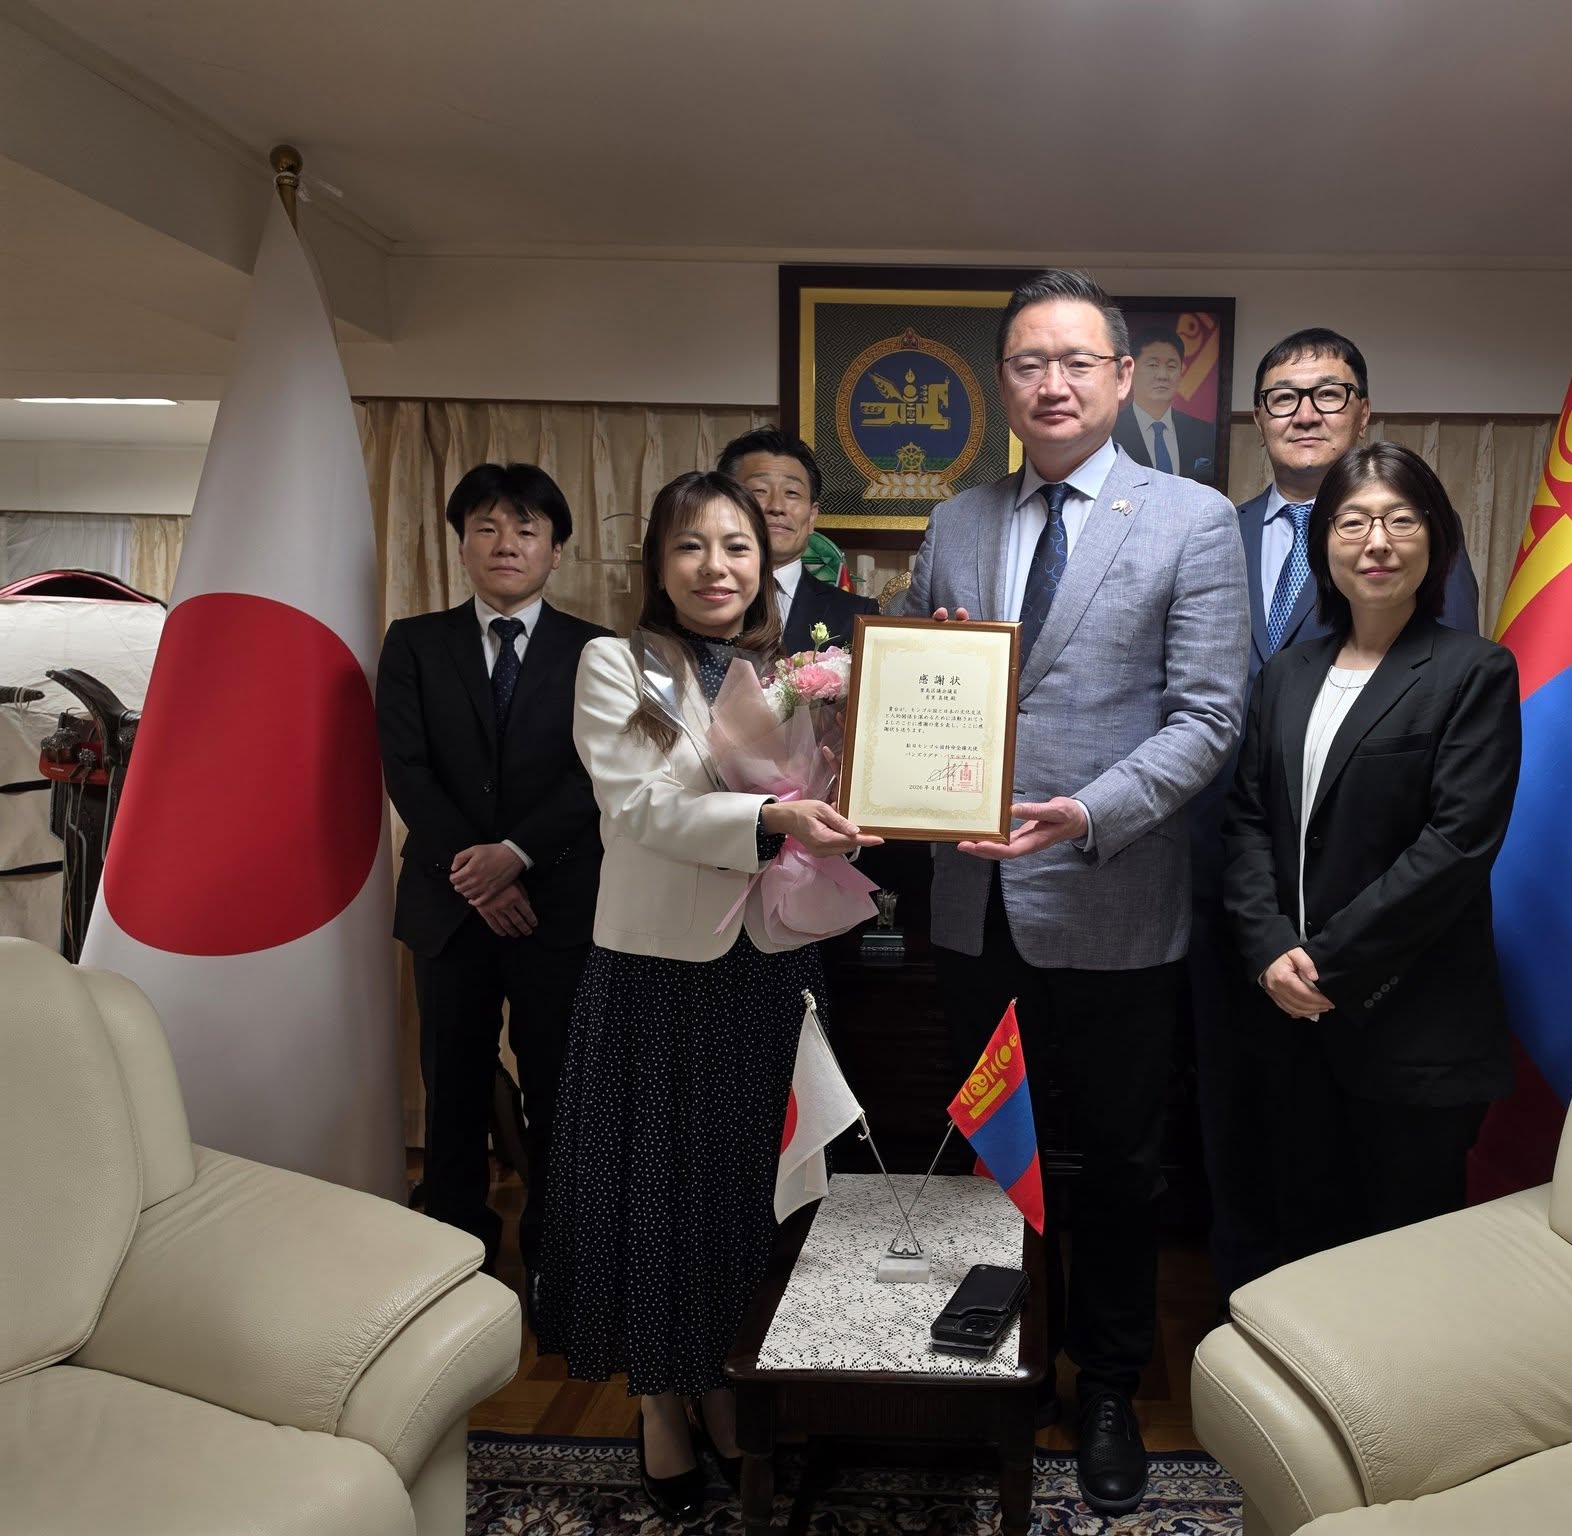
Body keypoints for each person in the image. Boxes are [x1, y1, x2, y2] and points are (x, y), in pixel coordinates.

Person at [904, 269, 1248, 1516]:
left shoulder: (1191, 520)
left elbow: (1208, 716)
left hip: (1110, 900)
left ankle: (1104, 1383)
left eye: (1074, 362)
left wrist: (1088, 813)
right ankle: (999, 1361)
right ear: (1001, 384)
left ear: (1118, 377)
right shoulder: (956, 519)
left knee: (1114, 1163)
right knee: (992, 1146)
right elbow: (912, 688)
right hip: (971, 908)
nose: (1050, 384)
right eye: (1026, 363)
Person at [535, 471, 877, 1518]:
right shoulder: (615, 665)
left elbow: (844, 785)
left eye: (735, 546)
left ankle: (725, 1384)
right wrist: (771, 822)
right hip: (658, 972)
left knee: (742, 1195)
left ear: (764, 560)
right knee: (656, 1195)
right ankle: (660, 1404)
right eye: (690, 546)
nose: (715, 567)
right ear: (657, 563)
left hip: (769, 964)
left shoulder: (796, 669)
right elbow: (638, 808)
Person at [1188, 327, 1482, 1304]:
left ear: (1362, 411)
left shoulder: (1419, 562)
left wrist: (1334, 950)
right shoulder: (1212, 534)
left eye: (1329, 392)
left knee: (1375, 1185)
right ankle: (1247, 1330)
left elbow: (1441, 772)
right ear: (1258, 418)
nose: (1305, 411)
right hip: (1227, 896)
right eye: (1284, 396)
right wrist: (1262, 927)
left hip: (1371, 929)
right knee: (1246, 1138)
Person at [1222, 441, 1520, 1265]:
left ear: (1435, 539)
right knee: (1299, 1247)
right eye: (1352, 522)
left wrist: (1327, 964)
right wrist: (1269, 948)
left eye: (1400, 521)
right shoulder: (1285, 674)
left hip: (1412, 1027)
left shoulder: (1474, 672)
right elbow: (1247, 822)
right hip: (1288, 1022)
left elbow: (1456, 846)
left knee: (1402, 1266)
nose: (1376, 542)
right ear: (1324, 544)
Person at [376, 463, 609, 1298]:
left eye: (526, 530)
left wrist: (515, 853)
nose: (506, 543)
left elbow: (598, 773)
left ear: (556, 551)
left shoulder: (598, 651)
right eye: (487, 527)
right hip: (449, 907)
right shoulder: (414, 642)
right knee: (453, 1087)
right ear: (461, 545)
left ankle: (557, 1261)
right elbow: (406, 769)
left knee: (559, 1088)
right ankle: (455, 1261)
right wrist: (479, 872)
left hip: (559, 907)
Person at [717, 425, 879, 652]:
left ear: (812, 517)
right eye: (758, 491)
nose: (776, 507)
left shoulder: (856, 617)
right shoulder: (692, 603)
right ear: (722, 505)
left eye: (792, 493)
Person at [1112, 320, 1219, 482]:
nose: (1162, 375)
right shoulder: (1111, 431)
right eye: (1152, 365)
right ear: (1130, 370)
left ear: (1181, 372)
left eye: (1171, 366)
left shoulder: (1204, 432)